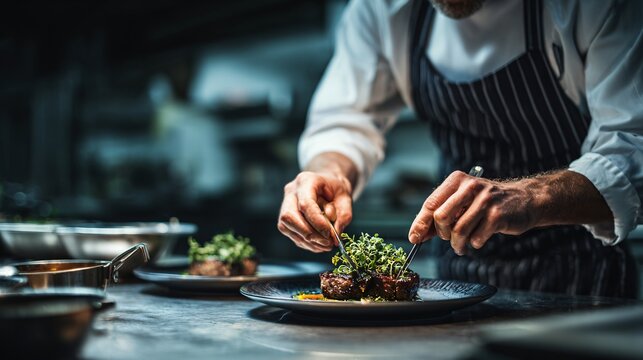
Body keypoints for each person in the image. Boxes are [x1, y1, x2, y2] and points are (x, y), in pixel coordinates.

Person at [277, 0, 642, 297]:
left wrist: (530, 197)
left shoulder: (597, 7)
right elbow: (345, 121)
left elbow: (633, 145)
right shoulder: (381, 10)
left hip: (580, 277)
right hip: (456, 282)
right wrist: (329, 172)